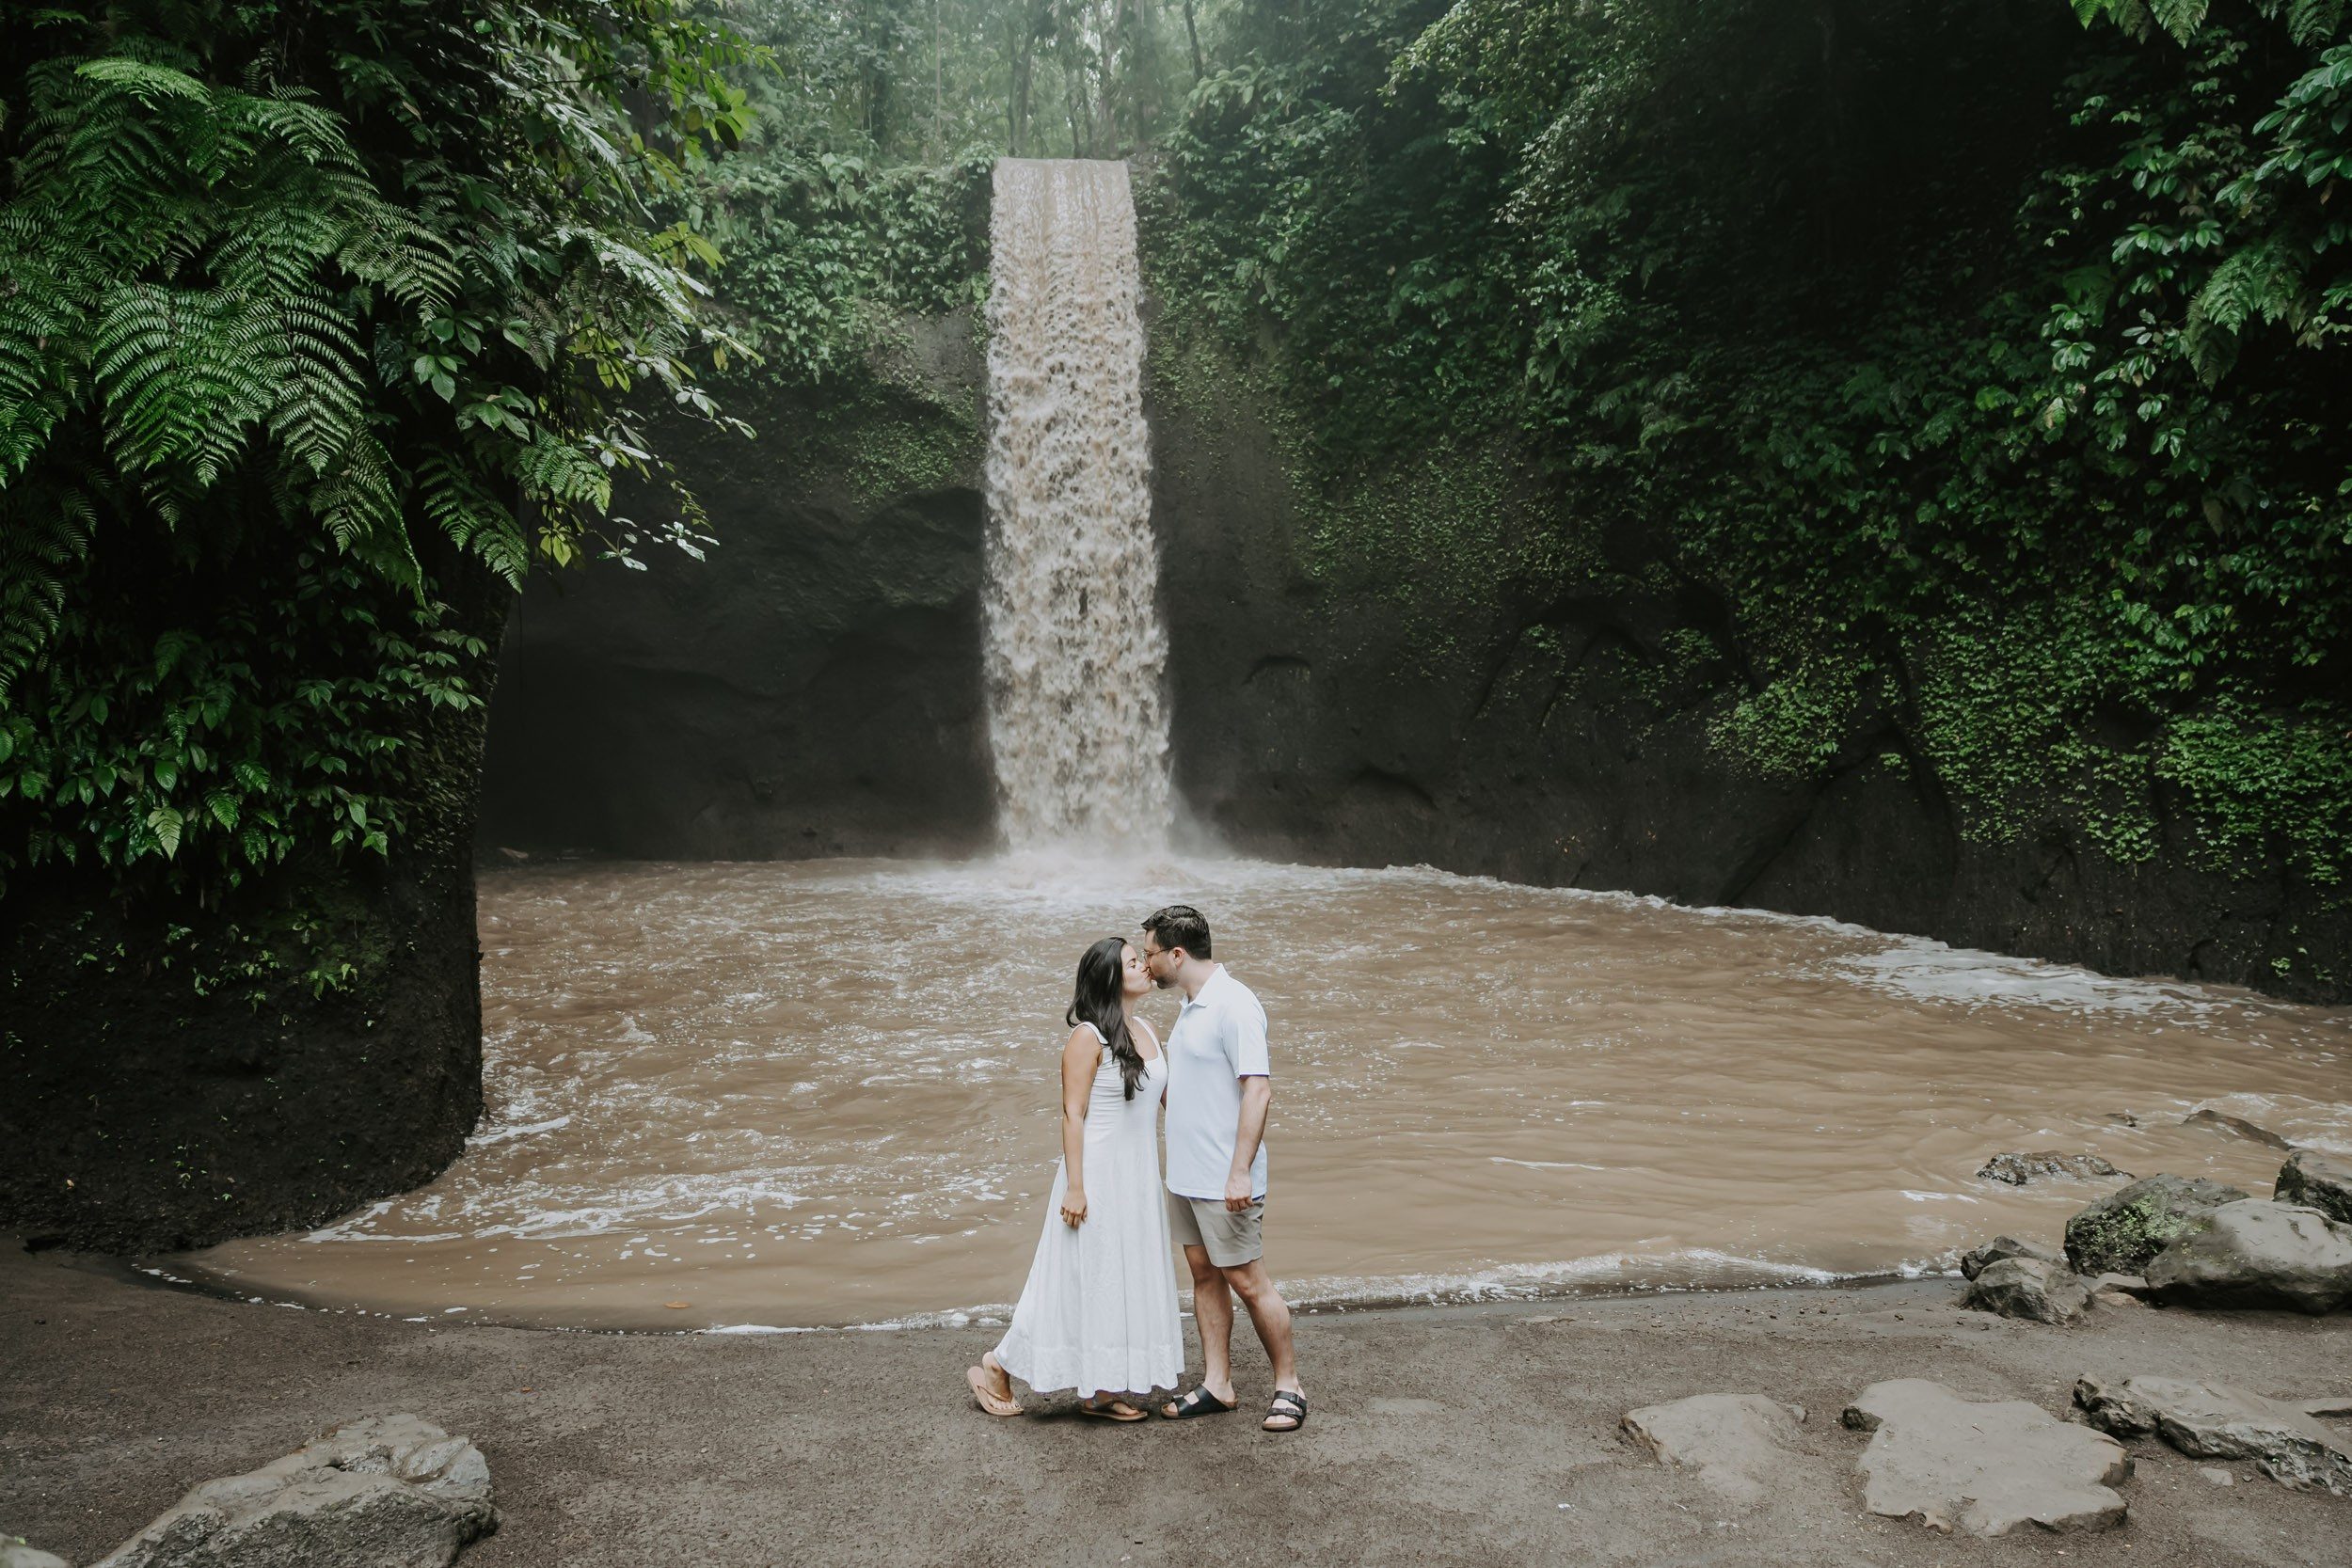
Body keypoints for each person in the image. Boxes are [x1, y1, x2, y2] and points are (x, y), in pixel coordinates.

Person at [967, 937, 1183, 1420]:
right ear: (1110, 978)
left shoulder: (1148, 1030)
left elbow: (1169, 1103)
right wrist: (1076, 1186)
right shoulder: (1087, 1037)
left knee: (1120, 1278)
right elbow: (1072, 1114)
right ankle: (997, 1365)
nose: (1145, 967)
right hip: (1096, 1175)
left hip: (1138, 1176)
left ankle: (1100, 1389)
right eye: (1133, 963)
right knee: (1072, 1279)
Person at [1139, 904, 1306, 1433]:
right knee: (1204, 1275)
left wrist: (1239, 1171)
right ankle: (1218, 1384)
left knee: (1249, 1282)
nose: (1146, 964)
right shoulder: (1191, 1007)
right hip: (1186, 1175)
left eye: (1150, 953)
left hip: (1223, 1177)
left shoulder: (1235, 1004)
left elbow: (1258, 1090)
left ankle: (1289, 1386)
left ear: (1177, 954)